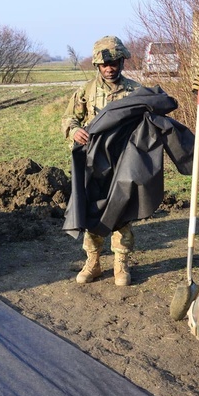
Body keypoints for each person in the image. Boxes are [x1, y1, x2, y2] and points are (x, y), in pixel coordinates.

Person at [61, 35, 142, 286]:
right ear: (97, 66)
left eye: (114, 63)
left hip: (124, 163)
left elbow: (149, 124)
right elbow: (68, 119)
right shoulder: (86, 91)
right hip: (94, 164)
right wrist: (74, 131)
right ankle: (93, 262)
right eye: (105, 64)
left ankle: (121, 265)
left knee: (122, 212)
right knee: (93, 210)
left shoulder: (136, 91)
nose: (110, 68)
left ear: (121, 63)